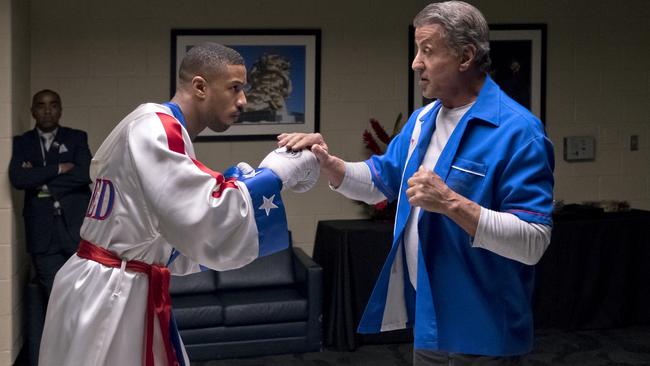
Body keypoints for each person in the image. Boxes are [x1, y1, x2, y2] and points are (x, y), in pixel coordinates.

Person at [280, 2, 554, 365]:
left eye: (427, 50)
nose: (415, 63)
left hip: (484, 329)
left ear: (466, 56)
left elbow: (533, 242)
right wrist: (330, 165)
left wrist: (451, 203)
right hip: (430, 318)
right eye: (416, 50)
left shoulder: (519, 132)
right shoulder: (423, 119)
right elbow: (381, 182)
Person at [37, 42, 319, 366]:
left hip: (115, 283)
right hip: (111, 291)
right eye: (235, 88)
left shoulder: (152, 124)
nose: (244, 100)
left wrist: (244, 181)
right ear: (200, 86)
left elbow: (173, 228)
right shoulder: (158, 128)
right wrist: (277, 173)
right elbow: (207, 213)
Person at [9, 89, 92, 301]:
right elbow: (18, 178)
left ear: (60, 110)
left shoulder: (76, 138)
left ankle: (79, 336)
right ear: (33, 111)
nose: (47, 111)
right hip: (42, 233)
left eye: (53, 105)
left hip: (75, 229)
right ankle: (59, 336)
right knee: (53, 296)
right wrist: (58, 169)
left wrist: (39, 180)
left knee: (83, 294)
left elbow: (84, 174)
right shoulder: (22, 142)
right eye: (41, 105)